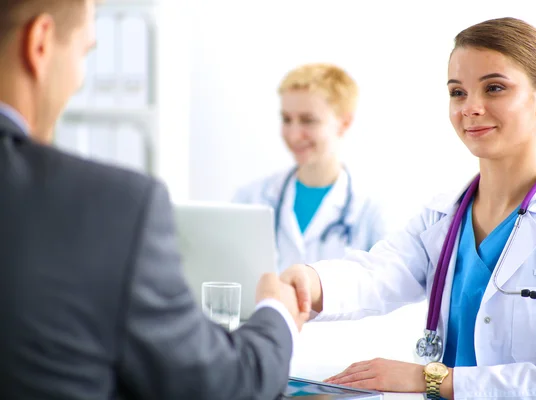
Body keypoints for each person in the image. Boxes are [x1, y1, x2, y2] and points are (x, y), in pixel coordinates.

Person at [0, 0, 309, 399]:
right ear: (40, 43)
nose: (79, 79)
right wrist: (277, 312)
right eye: (84, 52)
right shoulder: (110, 207)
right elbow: (225, 386)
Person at [279, 17, 536, 399]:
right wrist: (307, 282)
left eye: (494, 88)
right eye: (458, 92)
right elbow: (377, 273)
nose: (471, 108)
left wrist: (430, 379)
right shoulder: (443, 217)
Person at [234, 63, 389, 272]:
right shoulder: (251, 199)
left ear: (344, 123)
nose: (294, 134)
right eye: (286, 119)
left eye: (308, 121)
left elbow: (388, 295)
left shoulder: (370, 212)